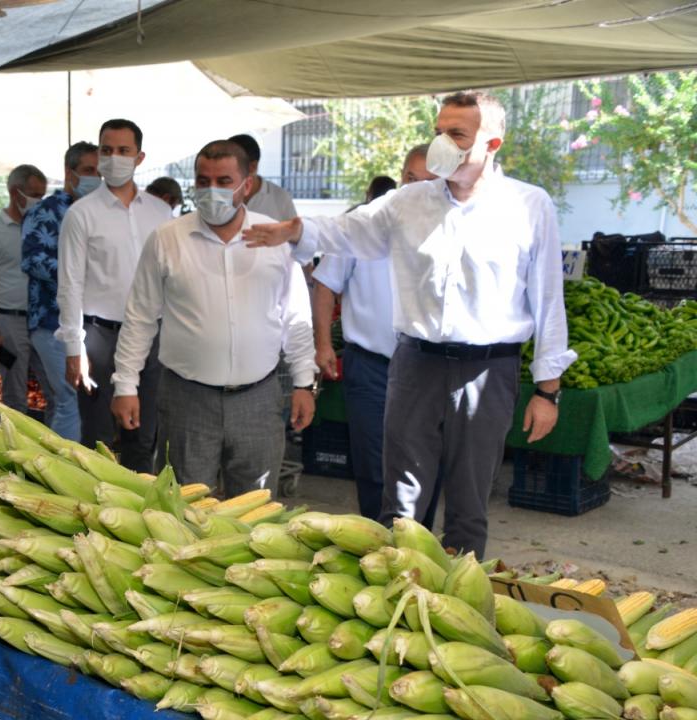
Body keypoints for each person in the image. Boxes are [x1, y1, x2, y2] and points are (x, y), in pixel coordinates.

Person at [244, 92, 575, 558]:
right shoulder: (408, 201)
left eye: (456, 134)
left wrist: (547, 391)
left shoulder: (528, 205)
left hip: (489, 369)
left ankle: (458, 603)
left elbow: (547, 301)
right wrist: (295, 230)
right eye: (439, 131)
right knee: (400, 498)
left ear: (491, 143)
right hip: (415, 363)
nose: (443, 143)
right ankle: (398, 589)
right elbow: (349, 231)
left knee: (469, 498)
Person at [111, 140, 315, 496]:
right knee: (183, 509)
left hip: (259, 399)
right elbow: (140, 317)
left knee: (257, 513)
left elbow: (296, 315)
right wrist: (125, 384)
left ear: (246, 185)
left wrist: (303, 382)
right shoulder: (167, 239)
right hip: (187, 401)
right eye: (203, 181)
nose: (212, 191)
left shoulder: (275, 237)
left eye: (224, 181)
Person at [312, 146, 437, 521]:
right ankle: (377, 547)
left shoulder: (452, 228)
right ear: (401, 177)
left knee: (425, 464)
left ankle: (420, 547)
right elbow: (324, 285)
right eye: (410, 179)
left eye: (427, 182)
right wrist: (322, 344)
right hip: (371, 367)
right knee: (374, 466)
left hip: (429, 369)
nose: (416, 189)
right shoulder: (366, 222)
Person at [58, 119, 173, 472]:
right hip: (100, 338)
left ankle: (141, 513)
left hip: (152, 338)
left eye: (123, 151)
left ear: (139, 157)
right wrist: (74, 350)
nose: (114, 158)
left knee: (145, 435)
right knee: (99, 439)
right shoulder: (81, 214)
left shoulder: (161, 213)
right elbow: (70, 285)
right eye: (106, 150)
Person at [20, 142, 99, 441]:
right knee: (73, 399)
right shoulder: (46, 211)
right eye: (88, 171)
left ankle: (51, 463)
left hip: (88, 324)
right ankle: (61, 473)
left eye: (99, 172)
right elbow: (32, 260)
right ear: (70, 172)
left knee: (63, 402)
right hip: (52, 324)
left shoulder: (98, 210)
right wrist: (83, 272)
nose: (96, 178)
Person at [0, 164, 53, 414]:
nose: (39, 201)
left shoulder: (44, 228)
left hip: (44, 320)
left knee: (55, 391)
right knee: (15, 397)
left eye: (42, 195)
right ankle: (16, 450)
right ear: (15, 192)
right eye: (34, 194)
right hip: (10, 321)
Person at [227, 134, 298, 220]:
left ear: (252, 166)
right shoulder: (217, 195)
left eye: (232, 166)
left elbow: (293, 231)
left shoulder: (280, 198)